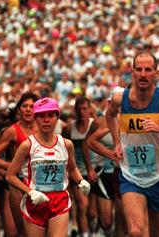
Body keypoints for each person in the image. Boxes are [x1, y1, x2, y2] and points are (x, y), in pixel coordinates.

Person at [106, 52, 159, 237]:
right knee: (136, 231)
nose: (143, 74)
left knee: (157, 234)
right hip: (131, 175)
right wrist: (116, 142)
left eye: (148, 70)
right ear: (132, 72)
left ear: (156, 73)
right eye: (139, 69)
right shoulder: (120, 98)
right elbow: (110, 114)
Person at [6, 97, 91, 237]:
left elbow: (72, 168)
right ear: (35, 118)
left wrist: (81, 181)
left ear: (57, 117)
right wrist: (31, 192)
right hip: (35, 203)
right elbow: (10, 176)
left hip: (59, 201)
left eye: (51, 115)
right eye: (41, 116)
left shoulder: (66, 144)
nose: (46, 120)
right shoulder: (27, 146)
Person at [0, 92, 39, 237]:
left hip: (40, 182)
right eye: (24, 106)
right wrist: (12, 166)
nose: (28, 109)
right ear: (19, 110)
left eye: (32, 106)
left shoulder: (44, 128)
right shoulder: (12, 131)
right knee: (20, 232)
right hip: (17, 183)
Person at [70, 96, 98, 237]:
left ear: (89, 110)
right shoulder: (70, 128)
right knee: (82, 207)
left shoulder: (96, 124)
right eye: (79, 109)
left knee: (92, 212)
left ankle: (92, 232)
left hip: (96, 172)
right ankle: (84, 234)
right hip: (78, 174)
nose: (82, 112)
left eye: (84, 109)